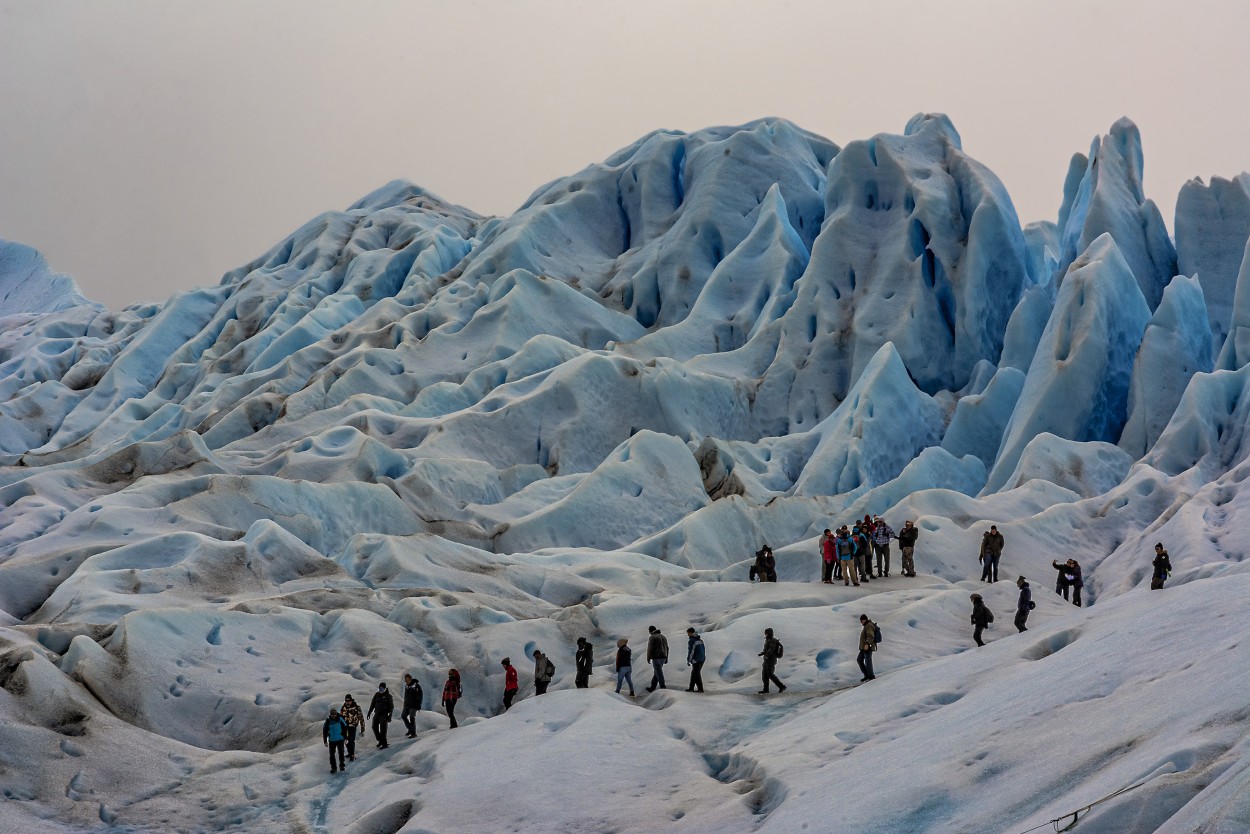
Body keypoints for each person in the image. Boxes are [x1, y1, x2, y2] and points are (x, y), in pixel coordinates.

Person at [366, 682, 394, 749]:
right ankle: (380, 740)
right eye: (379, 688)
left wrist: (390, 716)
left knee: (383, 729)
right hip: (377, 714)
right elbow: (372, 704)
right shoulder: (377, 695)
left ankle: (384, 744)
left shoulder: (388, 696)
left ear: (384, 688)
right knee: (374, 727)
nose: (380, 689)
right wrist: (369, 712)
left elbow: (391, 707)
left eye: (381, 688)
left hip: (384, 715)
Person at [758, 628, 786, 694]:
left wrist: (767, 655)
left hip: (770, 660)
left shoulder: (772, 640)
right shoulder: (769, 640)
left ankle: (781, 686)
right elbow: (768, 649)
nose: (765, 634)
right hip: (767, 660)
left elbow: (771, 649)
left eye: (766, 633)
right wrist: (763, 653)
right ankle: (765, 689)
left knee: (770, 674)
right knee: (764, 675)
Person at [322, 707, 348, 774]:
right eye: (332, 714)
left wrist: (346, 737)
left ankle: (342, 765)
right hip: (332, 740)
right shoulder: (328, 721)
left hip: (340, 739)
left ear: (336, 714)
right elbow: (324, 731)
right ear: (330, 714)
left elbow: (345, 728)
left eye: (335, 714)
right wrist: (325, 741)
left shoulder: (340, 719)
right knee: (332, 754)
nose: (333, 715)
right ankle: (334, 768)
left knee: (341, 752)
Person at [340, 694, 364, 761]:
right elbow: (340, 717)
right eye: (346, 701)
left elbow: (361, 718)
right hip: (345, 727)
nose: (347, 702)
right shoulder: (343, 707)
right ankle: (349, 753)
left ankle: (352, 755)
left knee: (351, 740)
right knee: (346, 740)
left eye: (349, 701)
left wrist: (362, 728)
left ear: (351, 700)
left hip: (352, 726)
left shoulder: (356, 707)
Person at [645, 626, 668, 692]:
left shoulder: (652, 637)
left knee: (658, 672)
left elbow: (650, 648)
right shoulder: (663, 637)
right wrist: (666, 657)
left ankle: (662, 686)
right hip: (663, 656)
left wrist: (648, 658)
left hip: (656, 657)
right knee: (657, 672)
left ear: (650, 631)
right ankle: (653, 687)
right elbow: (667, 647)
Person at [400, 674, 423, 739]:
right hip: (407, 705)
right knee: (403, 716)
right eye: (405, 680)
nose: (406, 681)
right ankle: (410, 729)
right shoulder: (407, 686)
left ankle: (413, 733)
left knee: (412, 717)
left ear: (410, 679)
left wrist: (418, 704)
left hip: (413, 705)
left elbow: (420, 695)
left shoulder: (416, 686)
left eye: (407, 679)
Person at [857, 614, 877, 681]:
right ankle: (867, 675)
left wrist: (867, 644)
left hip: (868, 647)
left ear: (864, 620)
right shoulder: (867, 625)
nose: (861, 622)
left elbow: (870, 636)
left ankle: (871, 676)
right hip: (864, 647)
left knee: (868, 662)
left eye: (861, 621)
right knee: (859, 659)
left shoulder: (868, 625)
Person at [686, 627, 706, 693]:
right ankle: (691, 687)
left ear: (690, 632)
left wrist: (689, 660)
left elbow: (691, 651)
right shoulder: (700, 640)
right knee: (694, 673)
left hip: (696, 659)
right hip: (702, 658)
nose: (687, 635)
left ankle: (700, 689)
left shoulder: (692, 640)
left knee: (696, 674)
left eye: (688, 633)